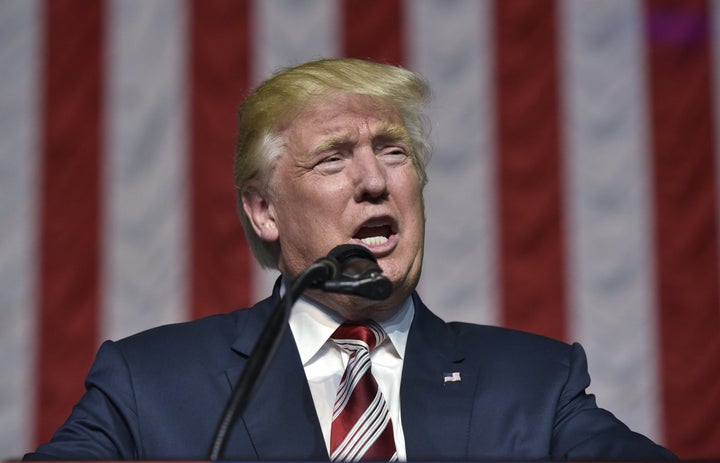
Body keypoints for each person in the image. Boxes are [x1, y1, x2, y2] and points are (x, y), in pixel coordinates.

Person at [25, 58, 676, 461]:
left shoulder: (537, 384)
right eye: (334, 157)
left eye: (393, 151)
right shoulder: (149, 384)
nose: (374, 180)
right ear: (264, 210)